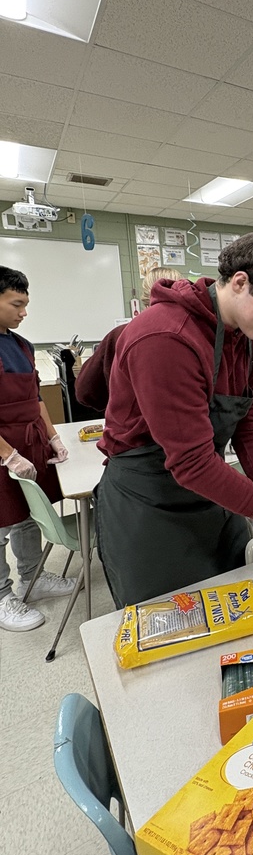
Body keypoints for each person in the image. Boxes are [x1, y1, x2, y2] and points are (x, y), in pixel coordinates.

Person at [95, 231, 253, 607]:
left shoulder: (252, 344)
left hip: (209, 494)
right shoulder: (166, 337)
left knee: (232, 604)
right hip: (147, 502)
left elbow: (250, 427)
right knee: (171, 626)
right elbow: (191, 462)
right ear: (241, 282)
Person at [0, 266, 75, 632]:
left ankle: (33, 577)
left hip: (29, 440)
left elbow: (36, 400)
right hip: (2, 447)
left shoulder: (22, 345)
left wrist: (54, 436)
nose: (24, 313)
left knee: (27, 514)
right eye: (17, 304)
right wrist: (7, 454)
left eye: (26, 304)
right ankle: (1, 597)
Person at [75, 267, 183, 413]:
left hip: (130, 430)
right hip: (189, 428)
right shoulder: (198, 336)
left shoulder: (121, 334)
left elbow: (86, 391)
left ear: (145, 297)